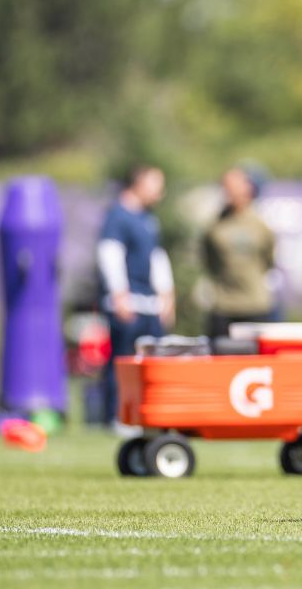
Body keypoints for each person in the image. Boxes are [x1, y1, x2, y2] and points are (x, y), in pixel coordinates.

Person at [96, 165, 172, 427]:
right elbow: (110, 253)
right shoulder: (118, 216)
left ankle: (146, 415)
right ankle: (117, 416)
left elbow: (156, 257)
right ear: (138, 182)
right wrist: (119, 294)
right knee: (123, 361)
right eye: (155, 185)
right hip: (129, 303)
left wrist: (166, 295)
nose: (160, 193)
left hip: (149, 303)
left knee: (150, 363)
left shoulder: (148, 219)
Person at [201, 166, 276, 338]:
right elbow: (209, 260)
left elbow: (268, 260)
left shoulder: (260, 226)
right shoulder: (215, 227)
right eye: (225, 187)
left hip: (255, 304)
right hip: (223, 305)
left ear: (247, 189)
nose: (229, 192)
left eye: (234, 186)